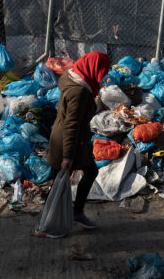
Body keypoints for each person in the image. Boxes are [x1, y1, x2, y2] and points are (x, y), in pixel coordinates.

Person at [44, 51, 111, 236]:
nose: (103, 75)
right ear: (93, 68)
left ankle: (65, 216)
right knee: (65, 178)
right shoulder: (79, 92)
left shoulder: (73, 78)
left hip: (69, 138)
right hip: (69, 141)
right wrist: (67, 156)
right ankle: (53, 221)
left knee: (65, 179)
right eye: (102, 70)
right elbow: (71, 125)